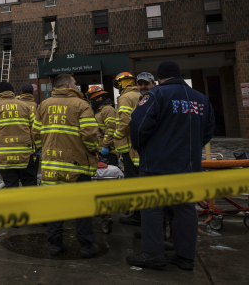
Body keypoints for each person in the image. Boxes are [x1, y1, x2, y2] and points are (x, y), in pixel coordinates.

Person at [127, 61, 215, 271]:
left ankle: (152, 253)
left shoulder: (156, 95)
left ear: (159, 78)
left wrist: (141, 148)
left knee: (152, 208)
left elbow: (138, 126)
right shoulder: (201, 99)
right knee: (185, 209)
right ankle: (185, 256)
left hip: (158, 164)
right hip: (188, 166)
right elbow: (208, 131)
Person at [32, 74, 101, 258]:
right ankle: (86, 246)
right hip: (77, 166)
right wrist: (93, 150)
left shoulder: (44, 105)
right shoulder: (81, 105)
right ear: (69, 85)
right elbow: (89, 135)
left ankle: (55, 244)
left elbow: (35, 132)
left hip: (50, 166)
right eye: (76, 84)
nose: (78, 86)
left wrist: (44, 149)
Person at [0, 82, 37, 188]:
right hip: (24, 154)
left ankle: (15, 204)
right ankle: (30, 204)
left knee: (11, 185)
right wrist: (34, 146)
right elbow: (34, 128)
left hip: (3, 155)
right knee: (29, 184)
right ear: (13, 92)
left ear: (0, 93)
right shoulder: (24, 106)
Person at [113, 71, 143, 226]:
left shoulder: (125, 97)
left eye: (118, 85)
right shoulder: (140, 95)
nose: (117, 88)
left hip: (129, 148)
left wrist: (116, 136)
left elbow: (125, 121)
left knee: (134, 183)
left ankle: (138, 216)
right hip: (140, 147)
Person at [86, 86, 118, 166]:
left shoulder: (107, 110)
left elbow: (111, 129)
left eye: (94, 99)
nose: (93, 102)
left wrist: (106, 145)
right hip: (99, 151)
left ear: (101, 98)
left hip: (109, 151)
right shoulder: (96, 111)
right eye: (91, 100)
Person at [18, 83, 40, 175]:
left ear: (21, 92)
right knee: (32, 174)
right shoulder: (37, 106)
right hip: (33, 144)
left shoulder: (17, 105)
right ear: (32, 93)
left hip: (18, 143)